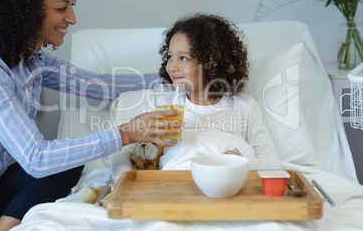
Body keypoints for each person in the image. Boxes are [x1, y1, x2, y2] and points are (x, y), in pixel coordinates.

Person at [0, 0, 181, 230]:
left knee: (69, 161)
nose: (72, 18)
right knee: (51, 160)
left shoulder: (33, 61)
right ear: (26, 10)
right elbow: (35, 157)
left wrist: (168, 77)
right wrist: (127, 133)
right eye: (62, 8)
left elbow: (99, 86)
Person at [110, 13, 280, 178]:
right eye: (170, 56)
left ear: (211, 63)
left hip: (227, 182)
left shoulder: (244, 107)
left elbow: (271, 164)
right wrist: (124, 179)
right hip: (175, 183)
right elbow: (122, 151)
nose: (172, 66)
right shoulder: (162, 102)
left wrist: (241, 161)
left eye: (183, 58)